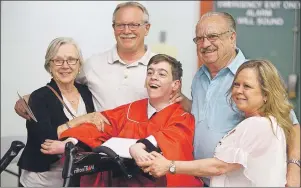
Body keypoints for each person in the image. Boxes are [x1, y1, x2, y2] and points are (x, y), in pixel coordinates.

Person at [171, 11, 300, 186]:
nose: (205, 43)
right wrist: (185, 103)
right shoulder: (199, 76)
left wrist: (294, 169)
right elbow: (208, 116)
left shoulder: (253, 74)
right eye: (199, 38)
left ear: (232, 37)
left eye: (212, 36)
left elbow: (291, 124)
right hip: (202, 179)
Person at [41, 54, 203, 187]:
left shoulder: (182, 116)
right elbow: (101, 124)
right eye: (150, 72)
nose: (153, 77)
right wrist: (72, 142)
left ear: (175, 85)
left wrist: (139, 147)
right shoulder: (130, 109)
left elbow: (172, 137)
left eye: (161, 74)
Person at [137, 59, 294, 186]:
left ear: (266, 94)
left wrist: (169, 166)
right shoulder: (265, 123)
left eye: (247, 86)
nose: (239, 91)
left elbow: (219, 166)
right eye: (236, 84)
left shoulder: (258, 125)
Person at [14, 1, 156, 120]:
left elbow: (176, 103)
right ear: (113, 28)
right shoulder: (93, 64)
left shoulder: (161, 67)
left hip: (144, 149)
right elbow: (65, 83)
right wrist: (31, 98)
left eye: (133, 25)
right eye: (120, 25)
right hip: (101, 148)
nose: (126, 31)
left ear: (147, 28)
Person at [17, 37, 95, 187]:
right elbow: (47, 143)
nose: (65, 66)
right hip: (42, 181)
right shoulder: (39, 97)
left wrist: (71, 140)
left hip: (77, 177)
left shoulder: (87, 93)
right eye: (58, 60)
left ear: (79, 64)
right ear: (49, 66)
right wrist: (78, 122)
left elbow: (97, 131)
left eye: (71, 60)